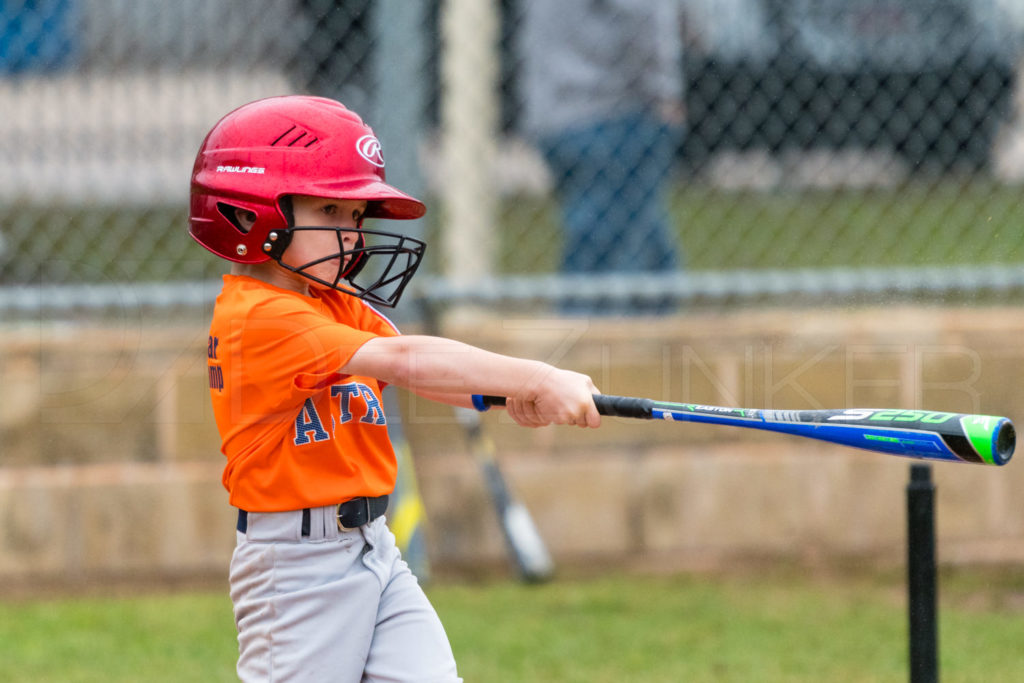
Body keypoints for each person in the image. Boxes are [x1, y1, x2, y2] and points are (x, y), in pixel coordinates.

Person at [188, 95, 601, 682]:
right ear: (257, 214)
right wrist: (536, 376)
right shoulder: (259, 317)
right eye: (330, 212)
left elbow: (427, 373)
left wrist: (510, 397)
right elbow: (406, 357)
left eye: (356, 218)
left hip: (372, 546)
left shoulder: (329, 302)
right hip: (298, 569)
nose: (353, 236)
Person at [517, 0, 686, 312]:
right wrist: (663, 92)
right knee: (600, 264)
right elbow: (643, 15)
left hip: (559, 111)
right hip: (611, 110)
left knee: (647, 252)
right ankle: (583, 352)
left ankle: (655, 345)